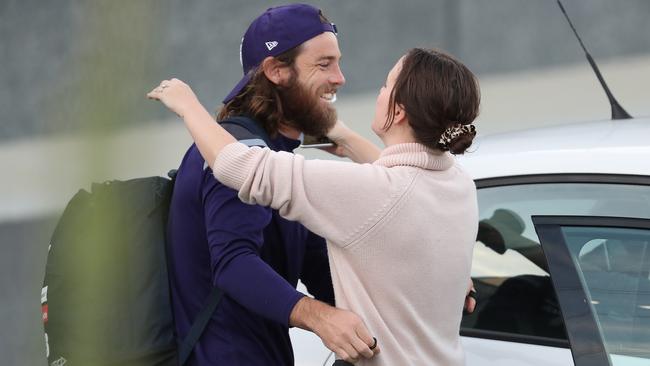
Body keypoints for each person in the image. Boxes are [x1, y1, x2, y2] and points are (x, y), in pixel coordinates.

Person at [149, 47, 481, 365]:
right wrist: (345, 138)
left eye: (386, 85)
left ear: (399, 109)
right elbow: (406, 183)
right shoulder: (459, 184)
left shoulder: (369, 193)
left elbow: (239, 166)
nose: (376, 91)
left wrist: (188, 106)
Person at [165, 4, 378, 365]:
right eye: (324, 64)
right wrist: (320, 318)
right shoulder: (235, 157)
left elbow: (320, 270)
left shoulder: (276, 162)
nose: (340, 78)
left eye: (337, 62)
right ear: (277, 70)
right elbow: (233, 263)